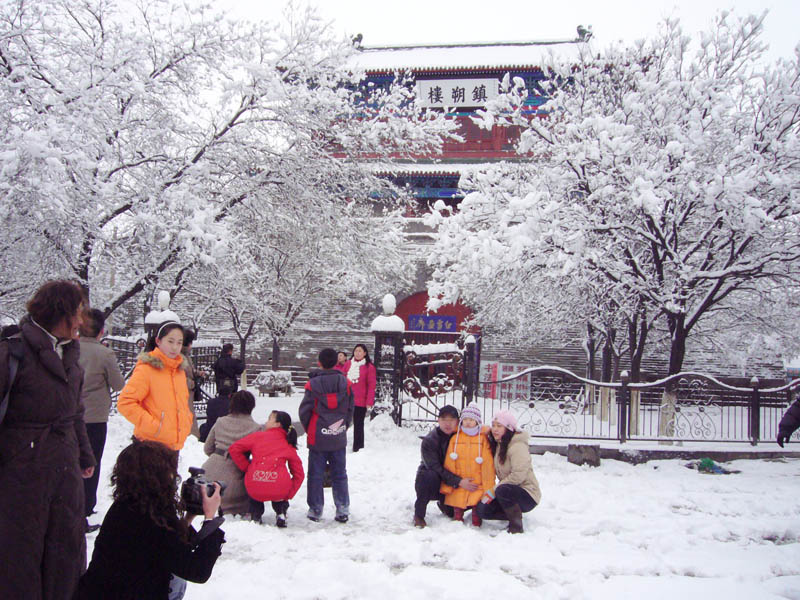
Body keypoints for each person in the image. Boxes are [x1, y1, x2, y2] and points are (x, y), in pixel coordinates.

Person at [0, 280, 96, 600]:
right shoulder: (11, 352)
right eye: (77, 313)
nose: (81, 321)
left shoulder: (70, 355)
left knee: (64, 557)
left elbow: (75, 412)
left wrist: (84, 454)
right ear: (60, 312)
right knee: (20, 561)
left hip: (64, 476)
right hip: (20, 478)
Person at [76, 439, 225, 599]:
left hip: (97, 592)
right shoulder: (153, 518)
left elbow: (168, 546)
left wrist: (189, 517)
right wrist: (210, 518)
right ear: (158, 478)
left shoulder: (125, 506)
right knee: (177, 582)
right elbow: (197, 570)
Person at [79, 308, 125, 532]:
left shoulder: (65, 349)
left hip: (70, 416)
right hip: (95, 416)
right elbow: (119, 385)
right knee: (91, 463)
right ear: (101, 330)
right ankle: (85, 507)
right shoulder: (104, 354)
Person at [117, 321, 193, 451]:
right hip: (149, 446)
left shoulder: (179, 372)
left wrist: (186, 422)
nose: (175, 347)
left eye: (179, 343)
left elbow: (182, 405)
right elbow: (125, 402)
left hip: (174, 445)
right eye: (170, 341)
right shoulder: (147, 370)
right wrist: (154, 426)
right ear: (158, 341)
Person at [299, 347, 354, 523]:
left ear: (319, 363)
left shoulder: (312, 385)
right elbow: (350, 409)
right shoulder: (346, 383)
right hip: (337, 434)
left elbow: (305, 411)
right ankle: (342, 508)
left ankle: (315, 509)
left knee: (315, 473)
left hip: (318, 434)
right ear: (337, 362)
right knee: (340, 473)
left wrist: (310, 429)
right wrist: (343, 425)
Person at [229, 410, 305, 528]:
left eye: (269, 419)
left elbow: (234, 448)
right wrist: (289, 493)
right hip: (279, 487)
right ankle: (281, 512)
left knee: (256, 495)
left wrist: (247, 467)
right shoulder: (287, 443)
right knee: (278, 492)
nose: (266, 422)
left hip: (255, 482)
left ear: (277, 424)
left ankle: (256, 514)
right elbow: (299, 473)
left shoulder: (258, 437)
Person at [412, 404, 480, 528]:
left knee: (450, 513)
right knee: (428, 475)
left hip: (452, 482)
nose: (447, 424)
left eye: (451, 420)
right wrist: (459, 482)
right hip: (434, 481)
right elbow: (435, 467)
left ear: (458, 421)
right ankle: (419, 515)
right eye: (444, 420)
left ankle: (445, 504)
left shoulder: (462, 437)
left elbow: (482, 433)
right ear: (438, 421)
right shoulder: (430, 440)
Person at [476, 410, 542, 534]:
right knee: (482, 508)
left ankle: (516, 526)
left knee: (503, 490)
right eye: (493, 425)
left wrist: (494, 490)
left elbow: (518, 476)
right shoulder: (500, 444)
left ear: (508, 428)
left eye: (499, 426)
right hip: (507, 491)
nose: (495, 429)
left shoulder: (517, 446)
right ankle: (511, 511)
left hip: (527, 494)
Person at [201, 390, 262, 516]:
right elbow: (258, 459)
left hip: (208, 475)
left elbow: (207, 448)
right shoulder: (256, 428)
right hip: (234, 484)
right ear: (251, 406)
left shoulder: (220, 421)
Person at [440, 403, 495, 527]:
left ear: (477, 422)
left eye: (471, 420)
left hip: (477, 482)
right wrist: (449, 485)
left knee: (477, 503)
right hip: (460, 479)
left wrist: (488, 487)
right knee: (457, 501)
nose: (468, 422)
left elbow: (487, 464)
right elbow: (449, 462)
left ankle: (476, 520)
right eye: (465, 419)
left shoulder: (482, 439)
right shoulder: (455, 438)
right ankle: (458, 519)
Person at [342, 343, 376, 452]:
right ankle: (339, 445)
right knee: (341, 424)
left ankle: (358, 447)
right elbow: (341, 379)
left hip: (360, 401)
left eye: (360, 351)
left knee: (358, 425)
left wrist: (369, 401)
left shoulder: (369, 367)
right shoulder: (347, 364)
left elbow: (371, 385)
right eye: (356, 351)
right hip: (346, 399)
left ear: (365, 353)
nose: (357, 353)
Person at [180, 329, 201, 439]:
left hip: (189, 393)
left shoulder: (186, 356)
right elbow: (179, 377)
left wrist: (198, 373)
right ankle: (190, 437)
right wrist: (192, 383)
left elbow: (189, 370)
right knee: (187, 417)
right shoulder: (180, 357)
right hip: (185, 393)